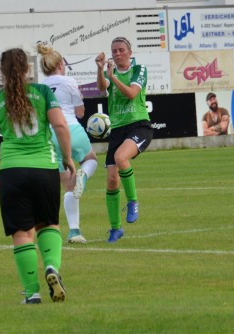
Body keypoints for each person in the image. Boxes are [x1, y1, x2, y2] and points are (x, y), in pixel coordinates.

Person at [0, 48, 75, 304]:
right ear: (27, 69)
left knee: (22, 234)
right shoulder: (42, 93)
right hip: (45, 169)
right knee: (48, 224)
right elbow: (61, 126)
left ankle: (32, 293)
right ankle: (52, 266)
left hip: (12, 172)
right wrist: (67, 158)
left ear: (2, 71)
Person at [36, 43, 98, 244]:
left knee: (68, 186)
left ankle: (74, 232)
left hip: (52, 135)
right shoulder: (69, 81)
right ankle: (84, 174)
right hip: (72, 129)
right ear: (61, 64)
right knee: (91, 160)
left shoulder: (40, 87)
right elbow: (80, 112)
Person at [95, 37, 153, 243]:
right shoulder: (110, 71)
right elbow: (102, 86)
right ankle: (115, 229)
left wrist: (114, 78)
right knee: (111, 181)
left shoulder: (139, 69)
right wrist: (101, 69)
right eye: (114, 51)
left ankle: (133, 201)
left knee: (121, 157)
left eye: (121, 50)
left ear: (130, 52)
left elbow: (131, 94)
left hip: (139, 126)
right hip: (118, 130)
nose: (117, 54)